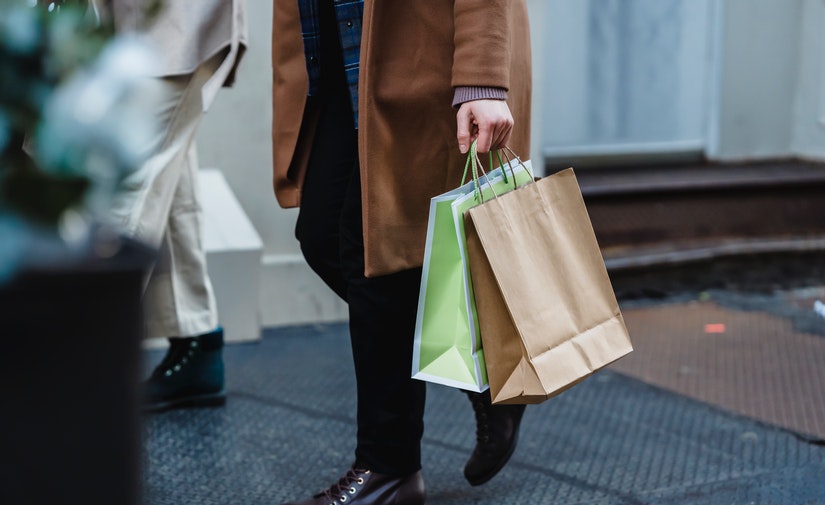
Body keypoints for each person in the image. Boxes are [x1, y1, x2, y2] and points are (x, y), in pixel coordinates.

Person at [271, 1, 532, 503]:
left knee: (373, 252)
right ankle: (486, 375)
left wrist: (483, 77)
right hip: (343, 46)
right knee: (324, 237)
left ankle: (389, 466)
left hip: (420, 44)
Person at [95, 0, 247, 412]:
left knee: (119, 194)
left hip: (172, 24)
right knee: (167, 180)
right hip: (134, 27)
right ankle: (196, 345)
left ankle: (81, 367)